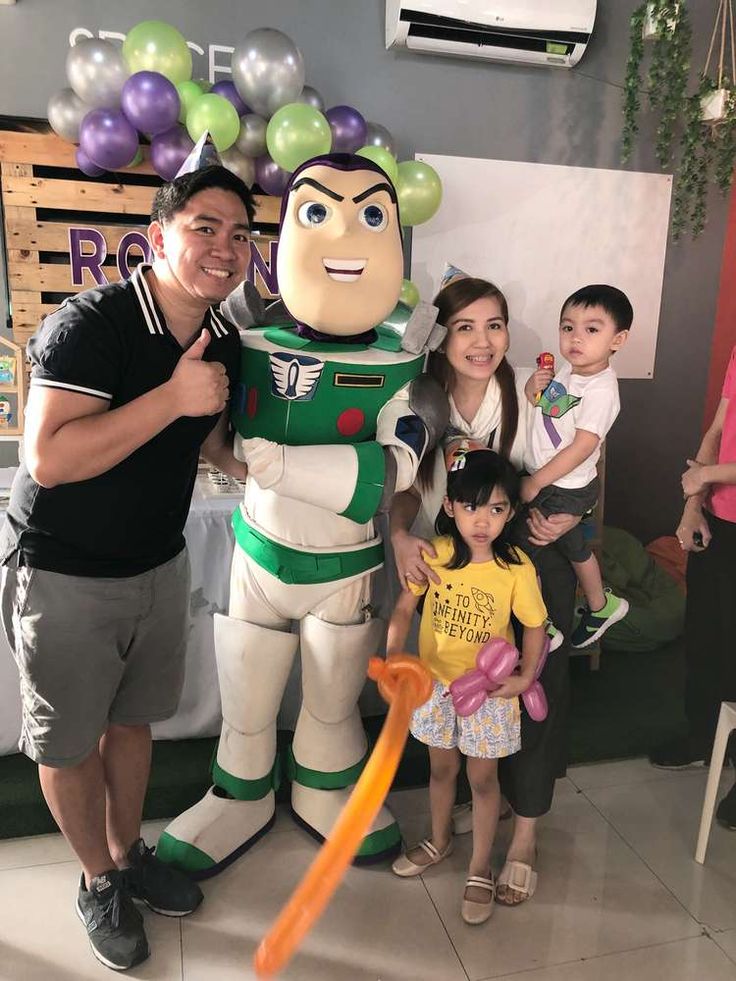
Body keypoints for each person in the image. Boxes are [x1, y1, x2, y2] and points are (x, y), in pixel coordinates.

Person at [157, 153, 448, 877]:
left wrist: (279, 463)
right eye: (316, 212)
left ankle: (325, 788)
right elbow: (206, 418)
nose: (344, 234)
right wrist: (234, 454)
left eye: (370, 214)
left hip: (345, 565)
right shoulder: (246, 333)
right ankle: (240, 789)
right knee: (246, 694)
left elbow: (393, 472)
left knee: (329, 698)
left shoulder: (403, 360)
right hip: (260, 551)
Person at [0, 162, 256, 971]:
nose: (224, 246)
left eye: (241, 233)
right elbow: (47, 457)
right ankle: (95, 877)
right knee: (69, 743)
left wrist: (290, 466)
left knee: (134, 720)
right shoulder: (94, 322)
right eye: (204, 227)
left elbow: (211, 443)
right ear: (158, 237)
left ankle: (128, 852)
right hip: (65, 572)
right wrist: (174, 399)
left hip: (157, 563)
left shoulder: (225, 340)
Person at [390, 274, 579, 906]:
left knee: (535, 685)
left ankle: (523, 834)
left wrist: (571, 512)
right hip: (450, 561)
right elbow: (410, 485)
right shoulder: (421, 397)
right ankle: (461, 822)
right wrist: (397, 535)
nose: (482, 340)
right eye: (465, 326)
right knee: (456, 697)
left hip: (528, 554)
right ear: (442, 336)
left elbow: (579, 453)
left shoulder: (528, 390)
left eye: (494, 324)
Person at [389, 450, 546, 924]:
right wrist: (396, 658)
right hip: (435, 688)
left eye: (496, 509)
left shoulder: (517, 567)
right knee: (440, 772)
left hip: (490, 692)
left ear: (510, 514)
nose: (483, 521)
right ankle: (438, 840)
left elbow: (535, 626)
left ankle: (480, 865)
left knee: (482, 779)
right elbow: (401, 610)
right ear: (452, 506)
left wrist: (524, 677)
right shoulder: (433, 553)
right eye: (472, 507)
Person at [515, 284, 631, 649]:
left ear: (618, 339)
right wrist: (533, 389)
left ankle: (543, 624)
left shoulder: (601, 389)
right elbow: (548, 410)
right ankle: (600, 604)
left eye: (592, 329)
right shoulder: (569, 370)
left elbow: (583, 446)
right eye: (568, 327)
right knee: (570, 541)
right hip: (556, 481)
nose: (576, 338)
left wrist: (536, 482)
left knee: (521, 545)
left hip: (564, 485)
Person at [649, 345, 736, 830]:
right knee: (706, 639)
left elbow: (708, 464)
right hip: (720, 521)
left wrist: (705, 475)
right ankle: (705, 739)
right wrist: (693, 504)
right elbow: (718, 430)